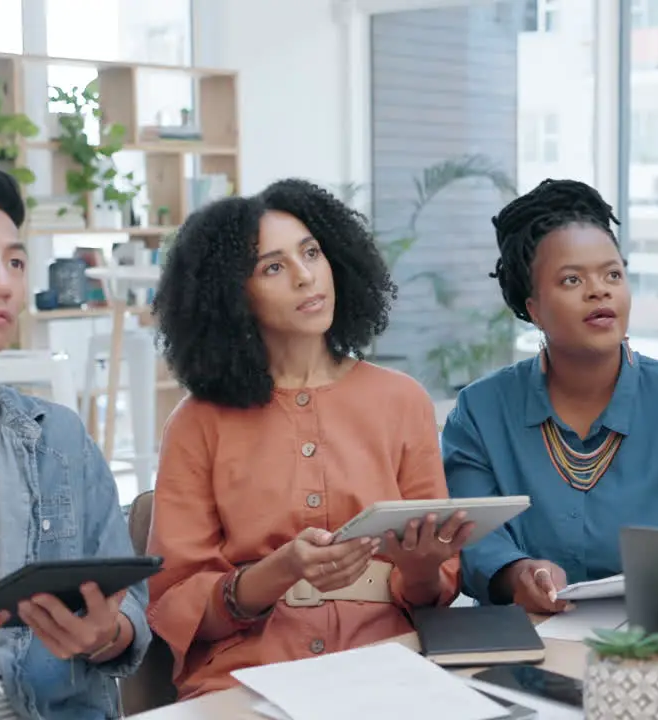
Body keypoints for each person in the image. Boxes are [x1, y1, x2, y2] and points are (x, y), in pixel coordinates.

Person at [147, 179, 468, 699]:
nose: (305, 276)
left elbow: (438, 591)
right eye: (273, 267)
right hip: (245, 678)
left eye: (312, 253)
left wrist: (422, 567)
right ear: (232, 297)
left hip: (390, 666)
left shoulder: (402, 400)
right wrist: (278, 572)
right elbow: (173, 605)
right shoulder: (196, 422)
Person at [442, 179, 658, 613]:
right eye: (572, 279)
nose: (600, 290)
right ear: (533, 308)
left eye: (613, 274)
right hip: (527, 635)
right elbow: (474, 538)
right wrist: (518, 574)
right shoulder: (480, 412)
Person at [0, 163, 149, 719]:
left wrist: (107, 635)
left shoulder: (57, 439)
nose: (0, 281)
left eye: (15, 261)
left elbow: (131, 613)